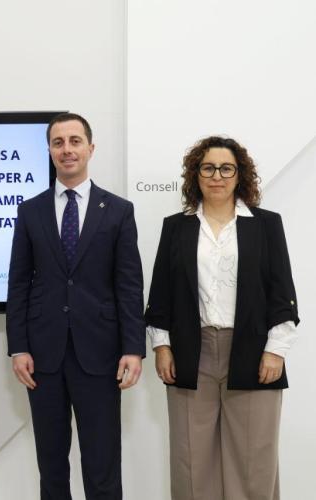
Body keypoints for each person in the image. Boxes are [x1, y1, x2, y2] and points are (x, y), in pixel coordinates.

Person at [145, 136, 299, 500]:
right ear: (196, 175)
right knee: (191, 461)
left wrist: (276, 350)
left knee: (252, 462)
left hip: (253, 350)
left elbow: (282, 292)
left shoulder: (266, 224)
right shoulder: (176, 226)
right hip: (191, 352)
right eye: (208, 168)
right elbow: (161, 294)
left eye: (226, 168)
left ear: (239, 174)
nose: (217, 176)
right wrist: (162, 347)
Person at [6, 113, 145, 500]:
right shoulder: (30, 211)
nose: (66, 149)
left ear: (90, 148)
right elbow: (18, 284)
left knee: (102, 464)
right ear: (50, 151)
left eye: (74, 141)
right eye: (58, 142)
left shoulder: (118, 210)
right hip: (43, 356)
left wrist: (133, 348)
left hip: (101, 354)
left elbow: (129, 284)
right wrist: (18, 347)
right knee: (51, 466)